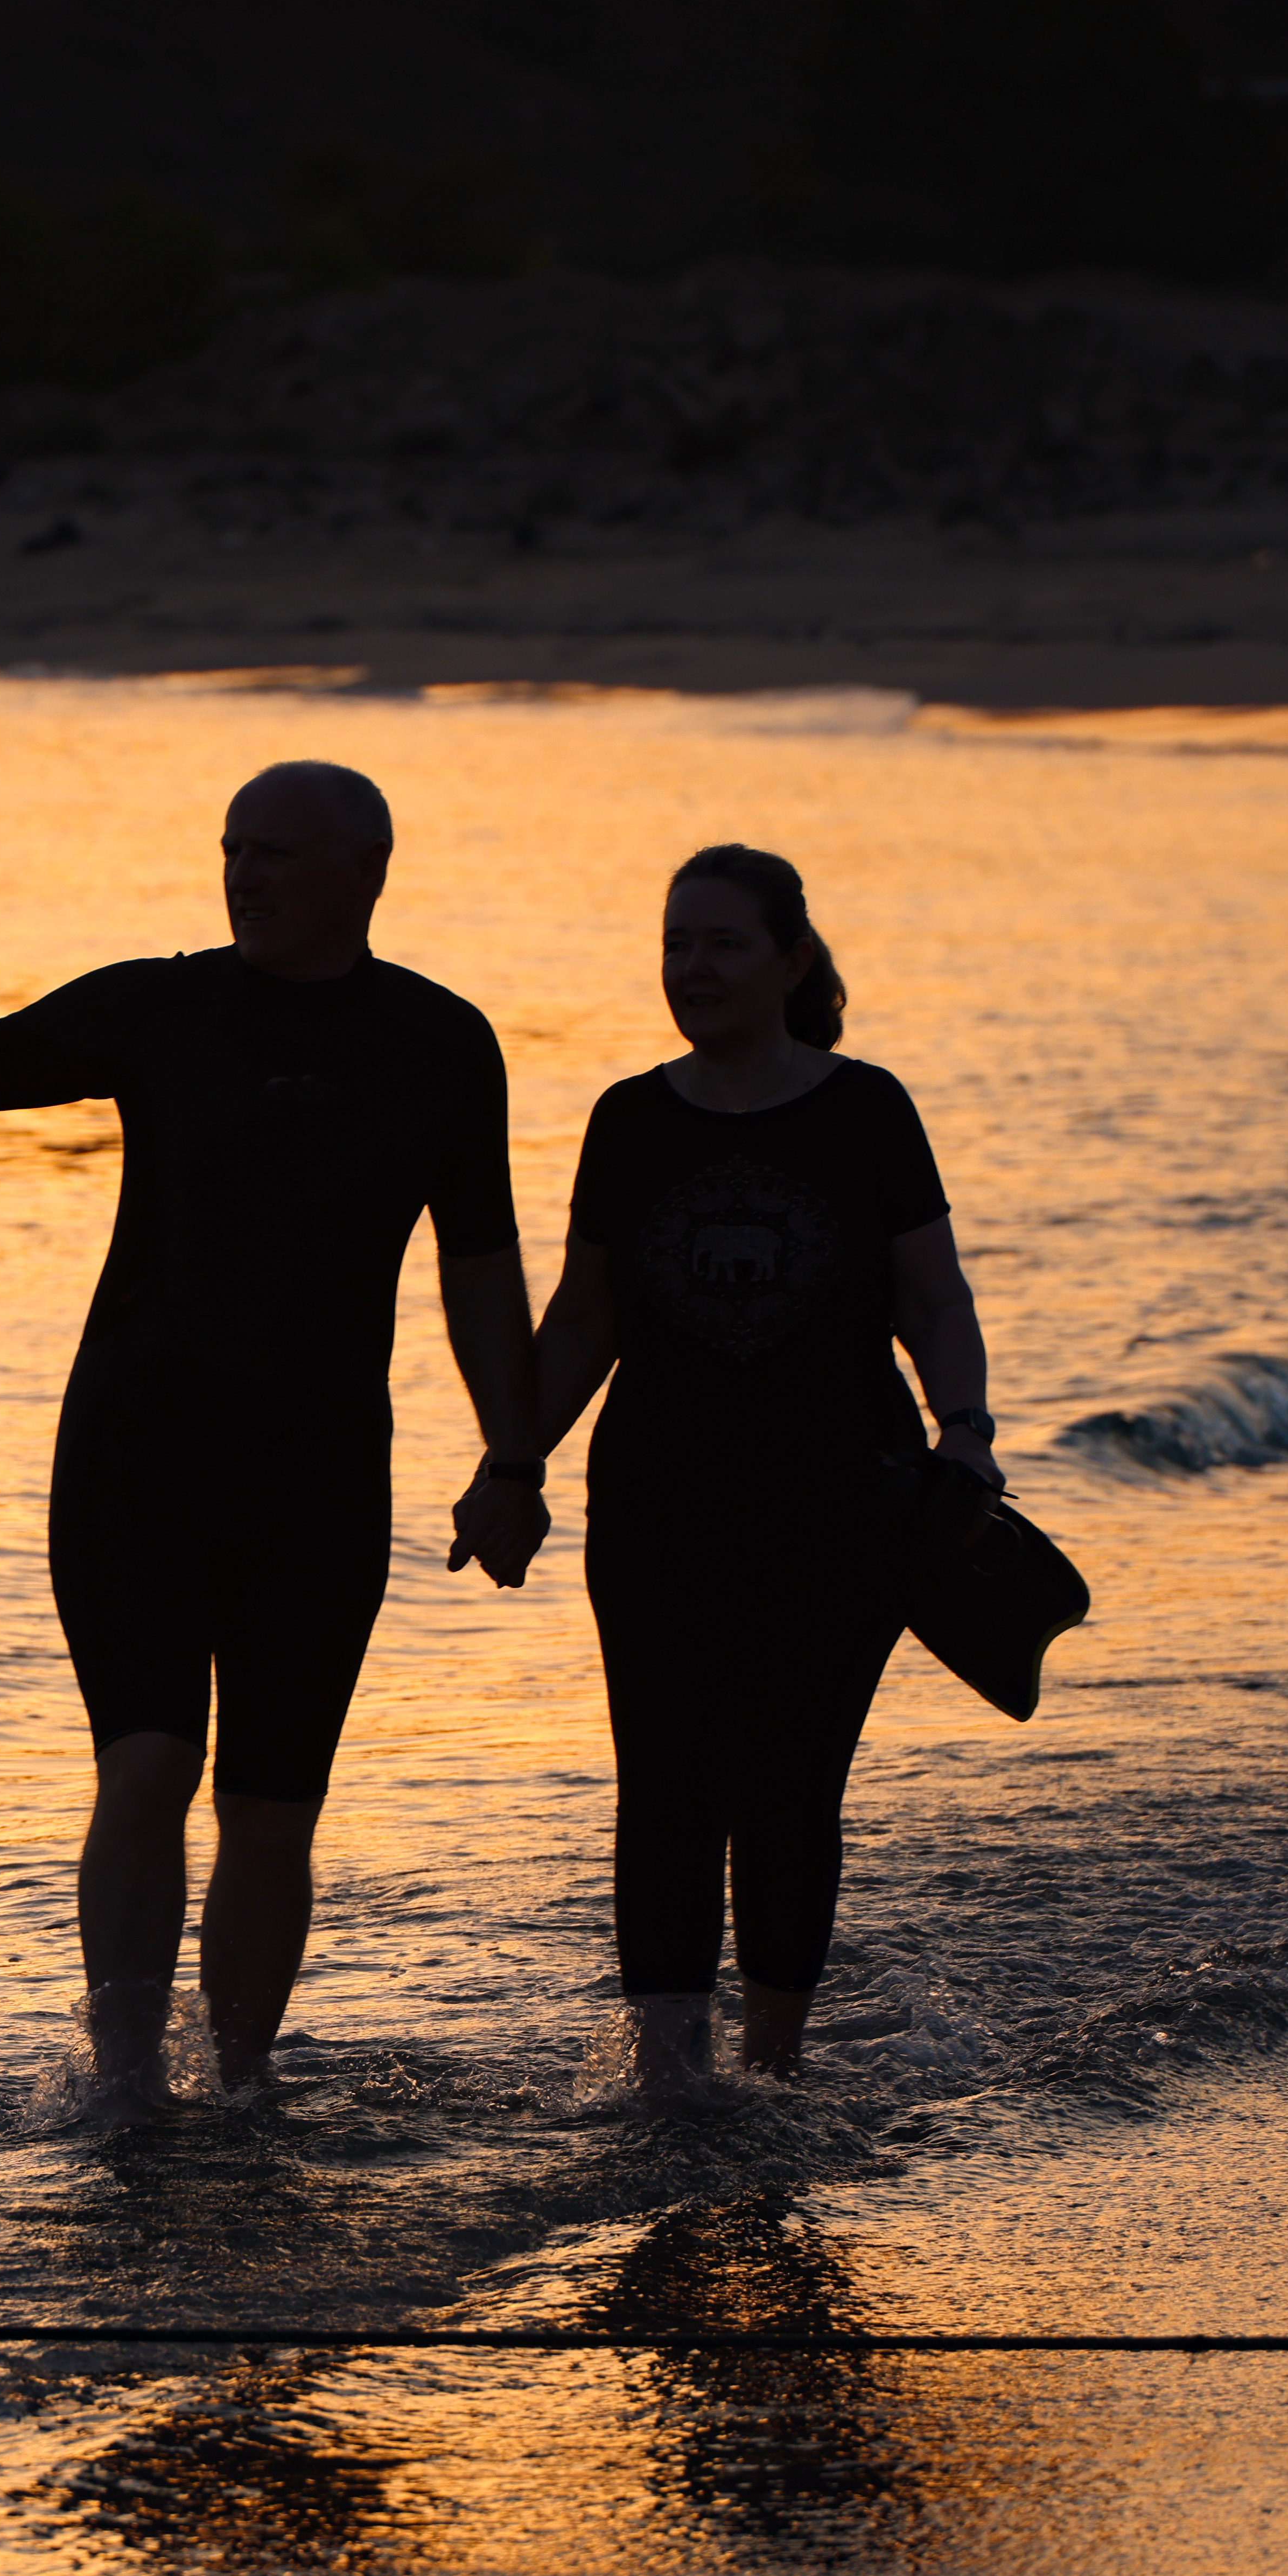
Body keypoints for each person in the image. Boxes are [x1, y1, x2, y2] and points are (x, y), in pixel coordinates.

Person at [0, 761, 552, 2111]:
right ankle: (127, 2084)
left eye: (278, 854)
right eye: (233, 848)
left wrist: (513, 1456)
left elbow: (479, 1265)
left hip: (314, 1477)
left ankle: (237, 2083)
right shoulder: (161, 1005)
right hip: (137, 1452)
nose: (244, 876)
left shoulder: (439, 1041)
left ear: (365, 872)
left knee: (270, 1805)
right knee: (143, 1765)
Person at [476, 843, 998, 2095]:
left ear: (790, 960)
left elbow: (932, 1295)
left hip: (843, 1510)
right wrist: (510, 1461)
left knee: (788, 1786)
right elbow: (583, 1321)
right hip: (657, 1510)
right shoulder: (629, 1118)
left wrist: (965, 1431)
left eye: (720, 943)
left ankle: (770, 2070)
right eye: (674, 944)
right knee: (663, 1778)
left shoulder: (867, 1109)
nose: (691, 968)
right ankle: (668, 2080)